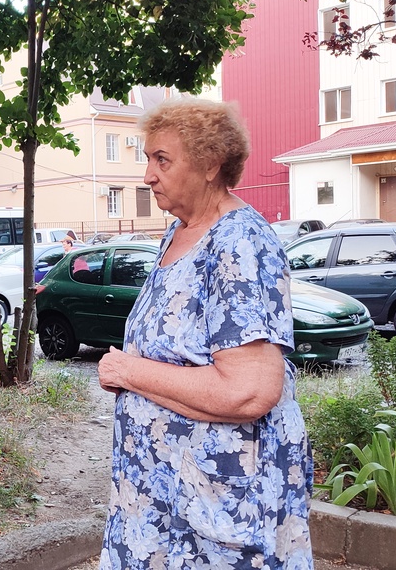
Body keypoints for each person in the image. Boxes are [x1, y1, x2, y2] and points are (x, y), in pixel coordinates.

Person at [95, 98, 313, 569]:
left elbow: (248, 391)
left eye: (162, 159)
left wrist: (130, 372)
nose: (148, 175)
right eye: (148, 158)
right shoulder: (176, 233)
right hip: (161, 496)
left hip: (217, 504)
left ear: (211, 164)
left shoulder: (239, 243)